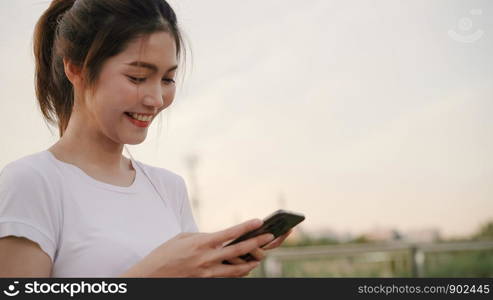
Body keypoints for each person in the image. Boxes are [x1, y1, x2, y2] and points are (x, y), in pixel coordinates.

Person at [0, 0, 290, 277]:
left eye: (167, 80)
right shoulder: (31, 183)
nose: (156, 99)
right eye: (137, 77)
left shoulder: (169, 188)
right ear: (76, 68)